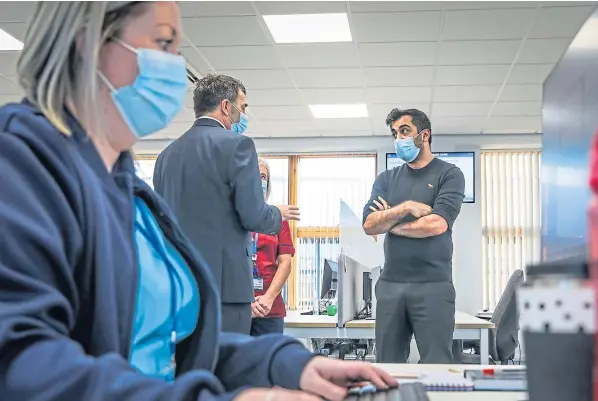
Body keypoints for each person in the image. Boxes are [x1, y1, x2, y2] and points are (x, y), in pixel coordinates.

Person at [0, 3, 398, 401]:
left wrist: (287, 364)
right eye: (163, 43)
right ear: (86, 44)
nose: (176, 66)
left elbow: (170, 348)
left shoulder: (127, 189)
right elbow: (20, 364)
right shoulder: (17, 164)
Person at [153, 74, 299, 335]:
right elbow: (254, 216)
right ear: (225, 106)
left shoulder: (166, 156)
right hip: (226, 290)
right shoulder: (238, 145)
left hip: (180, 286)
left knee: (190, 368)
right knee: (229, 367)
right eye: (242, 108)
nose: (242, 114)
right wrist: (277, 213)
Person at [362, 108, 465, 364]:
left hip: (434, 286)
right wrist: (406, 208)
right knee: (387, 366)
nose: (399, 139)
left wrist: (390, 224)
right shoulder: (386, 179)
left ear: (425, 135)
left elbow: (436, 224)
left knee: (437, 365)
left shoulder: (449, 174)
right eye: (395, 133)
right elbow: (369, 224)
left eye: (405, 131)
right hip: (390, 285)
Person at [250, 159, 294, 335]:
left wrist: (268, 299)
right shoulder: (233, 218)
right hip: (238, 308)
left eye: (263, 177)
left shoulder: (277, 219)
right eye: (255, 176)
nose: (260, 180)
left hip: (270, 308)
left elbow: (286, 263)